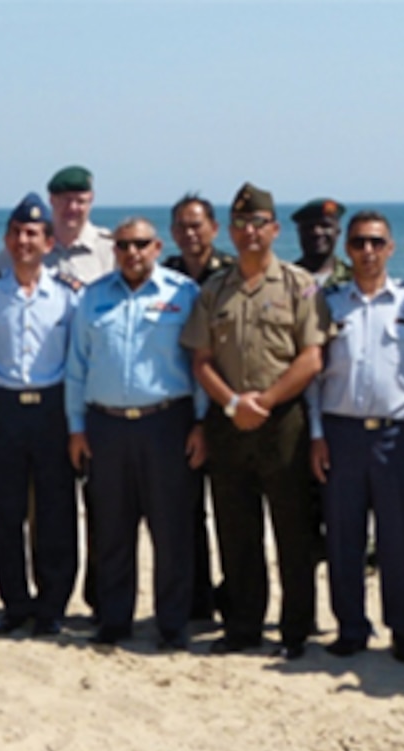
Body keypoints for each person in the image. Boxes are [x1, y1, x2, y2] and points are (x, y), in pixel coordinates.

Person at [180, 183, 326, 660]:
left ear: (275, 229)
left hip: (283, 420)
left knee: (293, 529)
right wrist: (230, 405)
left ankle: (296, 628)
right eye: (241, 224)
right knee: (236, 528)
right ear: (231, 230)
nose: (250, 232)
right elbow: (201, 359)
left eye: (259, 223)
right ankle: (243, 625)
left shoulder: (298, 284)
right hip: (229, 421)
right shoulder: (214, 289)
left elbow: (311, 357)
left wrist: (265, 400)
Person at [66, 217, 205, 650]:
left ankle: (172, 622)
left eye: (141, 244)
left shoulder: (184, 295)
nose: (132, 253)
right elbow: (77, 368)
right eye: (124, 245)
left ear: (157, 246)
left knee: (171, 528)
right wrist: (76, 428)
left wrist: (201, 423)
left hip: (166, 421)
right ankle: (114, 618)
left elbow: (201, 368)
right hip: (105, 425)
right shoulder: (92, 298)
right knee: (110, 527)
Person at [305, 210, 404, 663]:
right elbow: (314, 378)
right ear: (347, 248)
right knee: (344, 537)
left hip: (395, 436)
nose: (367, 251)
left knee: (398, 539)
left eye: (376, 242)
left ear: (391, 248)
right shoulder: (330, 303)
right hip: (340, 434)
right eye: (359, 242)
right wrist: (317, 435)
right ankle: (352, 627)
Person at [0, 194, 83, 638]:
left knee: (56, 511)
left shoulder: (69, 297)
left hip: (52, 409)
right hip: (5, 410)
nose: (23, 240)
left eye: (32, 233)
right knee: (5, 511)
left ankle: (52, 605)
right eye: (15, 232)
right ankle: (15, 603)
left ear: (50, 242)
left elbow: (78, 360)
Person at [162, 192, 236, 623]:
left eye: (197, 225)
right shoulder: (165, 275)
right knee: (186, 511)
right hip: (181, 408)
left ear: (213, 228)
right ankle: (196, 600)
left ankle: (236, 596)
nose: (190, 233)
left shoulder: (229, 274)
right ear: (172, 233)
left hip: (226, 405)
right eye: (182, 227)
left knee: (231, 511)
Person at [0, 165, 115, 285]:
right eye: (65, 200)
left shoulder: (109, 248)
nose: (72, 208)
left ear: (91, 200)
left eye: (80, 201)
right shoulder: (29, 247)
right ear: (51, 200)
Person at [292, 198, 352, 287]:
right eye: (309, 227)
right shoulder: (285, 278)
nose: (317, 232)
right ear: (299, 232)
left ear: (338, 232)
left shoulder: (354, 279)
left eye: (325, 226)